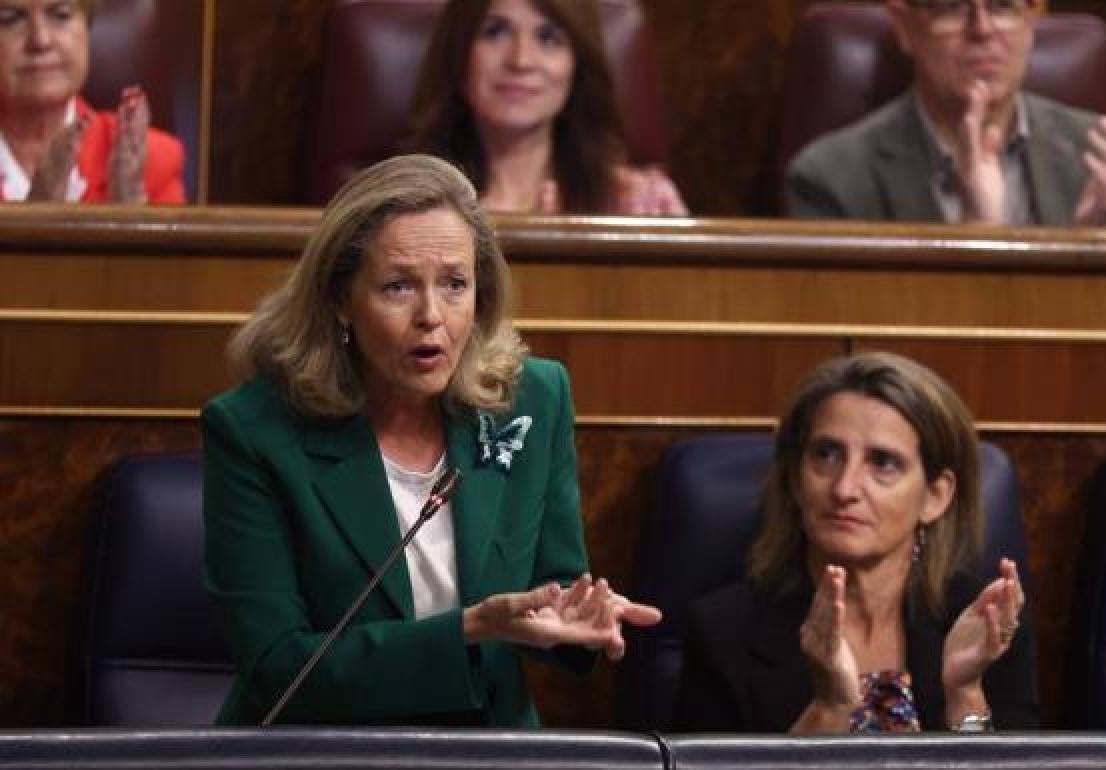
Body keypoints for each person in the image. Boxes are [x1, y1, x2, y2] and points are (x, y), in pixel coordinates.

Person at [202, 153, 660, 726]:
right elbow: (278, 671)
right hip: (322, 752)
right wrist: (470, 628)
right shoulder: (255, 432)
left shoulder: (533, 401)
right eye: (398, 286)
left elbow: (553, 578)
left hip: (487, 752)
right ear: (341, 299)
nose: (431, 316)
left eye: (454, 284)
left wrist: (575, 613)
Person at [673, 352, 1038, 733]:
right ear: (797, 479)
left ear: (935, 496)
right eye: (826, 455)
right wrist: (829, 707)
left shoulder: (986, 622)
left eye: (882, 463)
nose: (844, 488)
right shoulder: (724, 631)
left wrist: (965, 692)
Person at [785, 0, 1106, 228]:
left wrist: (1096, 250)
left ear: (1034, 15)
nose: (982, 29)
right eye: (952, 6)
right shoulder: (830, 178)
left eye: (1002, 5)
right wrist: (977, 238)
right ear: (904, 24)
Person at [407, 0, 685, 216]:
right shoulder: (404, 202)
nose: (521, 60)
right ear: (458, 51)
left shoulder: (636, 202)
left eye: (548, 38)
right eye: (495, 32)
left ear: (577, 67)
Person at [0, 0, 184, 203]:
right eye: (9, 20)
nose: (41, 40)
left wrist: (130, 218)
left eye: (60, 15)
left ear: (87, 28)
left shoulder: (153, 161)